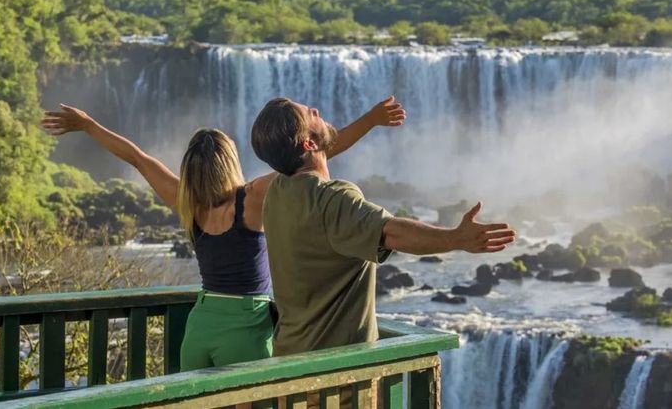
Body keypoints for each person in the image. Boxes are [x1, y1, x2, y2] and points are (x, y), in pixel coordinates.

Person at [40, 98, 407, 372]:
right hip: (245, 326)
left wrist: (88, 125)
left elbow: (137, 158)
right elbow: (311, 152)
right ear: (230, 163)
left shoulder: (187, 204)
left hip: (200, 325)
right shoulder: (253, 198)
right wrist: (370, 121)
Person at [251, 97, 516, 358]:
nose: (316, 109)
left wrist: (370, 120)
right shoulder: (333, 198)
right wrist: (456, 239)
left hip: (289, 360)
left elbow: (315, 151)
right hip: (337, 372)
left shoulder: (277, 189)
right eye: (310, 114)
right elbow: (392, 232)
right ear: (308, 143)